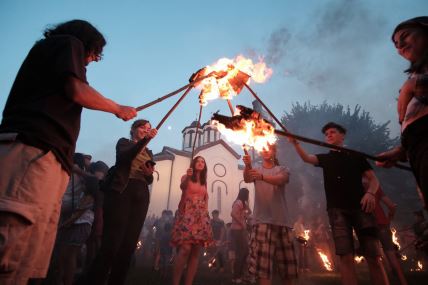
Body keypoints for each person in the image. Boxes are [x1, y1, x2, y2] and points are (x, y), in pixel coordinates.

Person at [0, 19, 137, 285]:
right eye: (95, 53)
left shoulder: (59, 51)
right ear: (87, 42)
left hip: (47, 159)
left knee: (30, 257)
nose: (93, 61)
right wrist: (117, 108)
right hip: (32, 150)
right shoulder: (66, 43)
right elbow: (77, 90)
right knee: (12, 249)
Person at [289, 122, 389, 285]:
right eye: (326, 133)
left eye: (332, 132)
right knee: (345, 257)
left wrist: (370, 193)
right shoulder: (326, 159)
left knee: (373, 257)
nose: (328, 135)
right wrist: (296, 144)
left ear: (342, 136)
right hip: (337, 212)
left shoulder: (356, 156)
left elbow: (374, 180)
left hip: (361, 209)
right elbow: (306, 158)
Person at [86, 119, 157, 285]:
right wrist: (146, 139)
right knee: (112, 242)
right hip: (122, 191)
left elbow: (149, 179)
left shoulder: (149, 152)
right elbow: (126, 157)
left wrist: (148, 174)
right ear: (133, 129)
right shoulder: (124, 143)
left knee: (129, 245)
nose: (146, 130)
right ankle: (94, 279)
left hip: (141, 195)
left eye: (148, 128)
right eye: (142, 127)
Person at [376, 17, 428, 210]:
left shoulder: (416, 80)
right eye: (396, 45)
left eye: (405, 36)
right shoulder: (416, 75)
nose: (400, 46)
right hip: (418, 151)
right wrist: (401, 151)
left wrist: (412, 86)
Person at [243, 143, 297, 285]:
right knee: (263, 268)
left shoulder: (282, 169)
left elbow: (281, 180)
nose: (266, 150)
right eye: (263, 148)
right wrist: (248, 165)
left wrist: (262, 177)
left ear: (274, 152)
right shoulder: (256, 169)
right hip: (262, 222)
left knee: (288, 270)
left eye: (269, 148)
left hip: (282, 222)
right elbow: (248, 178)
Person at [171, 156, 214, 285]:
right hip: (187, 214)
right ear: (193, 164)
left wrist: (206, 214)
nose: (200, 163)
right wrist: (189, 176)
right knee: (185, 249)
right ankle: (175, 282)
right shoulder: (187, 176)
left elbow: (206, 198)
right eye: (198, 161)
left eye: (203, 162)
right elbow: (182, 187)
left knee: (196, 251)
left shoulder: (204, 181)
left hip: (201, 217)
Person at [230, 187, 251, 284]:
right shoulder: (238, 202)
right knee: (241, 252)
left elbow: (248, 213)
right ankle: (236, 276)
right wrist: (242, 223)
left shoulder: (243, 204)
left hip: (241, 230)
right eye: (247, 195)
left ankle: (240, 274)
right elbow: (233, 214)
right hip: (237, 230)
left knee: (245, 252)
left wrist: (247, 207)